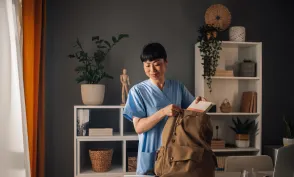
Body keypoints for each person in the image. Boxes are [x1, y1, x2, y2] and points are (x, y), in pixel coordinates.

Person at [123, 42, 206, 175]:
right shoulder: (137, 91)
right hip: (151, 153)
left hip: (176, 152)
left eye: (157, 64)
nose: (152, 70)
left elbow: (192, 114)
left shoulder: (177, 87)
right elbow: (138, 127)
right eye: (147, 65)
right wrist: (163, 112)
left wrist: (199, 103)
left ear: (166, 62)